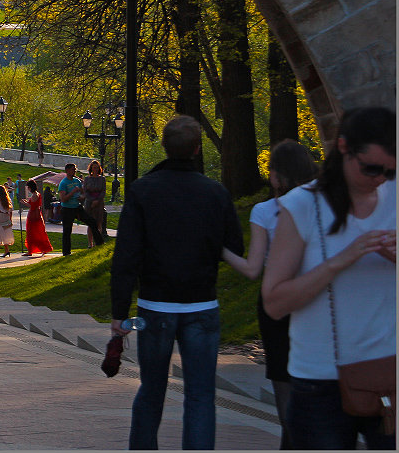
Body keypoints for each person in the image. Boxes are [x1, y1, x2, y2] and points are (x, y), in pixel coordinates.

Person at [262, 107, 396, 450]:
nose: (381, 179)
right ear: (342, 148)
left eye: (391, 171)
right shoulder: (303, 206)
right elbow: (275, 302)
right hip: (320, 382)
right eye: (371, 168)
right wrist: (342, 260)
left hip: (390, 375)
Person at [111, 114, 244, 450]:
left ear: (165, 147)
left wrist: (119, 312)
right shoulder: (215, 193)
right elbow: (234, 247)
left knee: (151, 390)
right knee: (200, 397)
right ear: (197, 149)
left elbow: (126, 256)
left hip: (154, 305)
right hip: (202, 303)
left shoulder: (142, 191)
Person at [222, 140, 318, 449]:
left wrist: (219, 249)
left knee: (283, 380)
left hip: (276, 302)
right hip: (314, 298)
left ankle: (291, 441)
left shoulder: (265, 210)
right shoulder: (324, 204)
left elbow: (252, 269)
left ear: (276, 176)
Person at [57, 163, 86, 257]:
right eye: (73, 169)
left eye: (75, 169)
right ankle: (66, 253)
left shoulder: (77, 181)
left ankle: (99, 243)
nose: (75, 171)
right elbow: (63, 199)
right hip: (67, 209)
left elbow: (83, 193)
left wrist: (82, 197)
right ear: (68, 170)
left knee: (91, 221)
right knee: (67, 231)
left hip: (77, 207)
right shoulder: (63, 183)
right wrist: (73, 192)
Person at [21, 180, 53, 256]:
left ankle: (30, 251)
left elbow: (32, 206)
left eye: (28, 187)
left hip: (33, 215)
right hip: (37, 214)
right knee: (39, 232)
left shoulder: (35, 195)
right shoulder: (37, 194)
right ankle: (43, 248)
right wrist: (27, 202)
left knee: (31, 232)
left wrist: (24, 203)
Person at [82, 160, 108, 247]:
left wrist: (97, 200)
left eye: (97, 167)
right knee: (90, 223)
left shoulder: (102, 179)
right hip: (89, 202)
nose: (95, 169)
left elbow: (103, 191)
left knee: (99, 222)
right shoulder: (87, 179)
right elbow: (85, 191)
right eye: (94, 167)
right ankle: (90, 243)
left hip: (99, 202)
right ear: (91, 168)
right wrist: (92, 200)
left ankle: (98, 241)